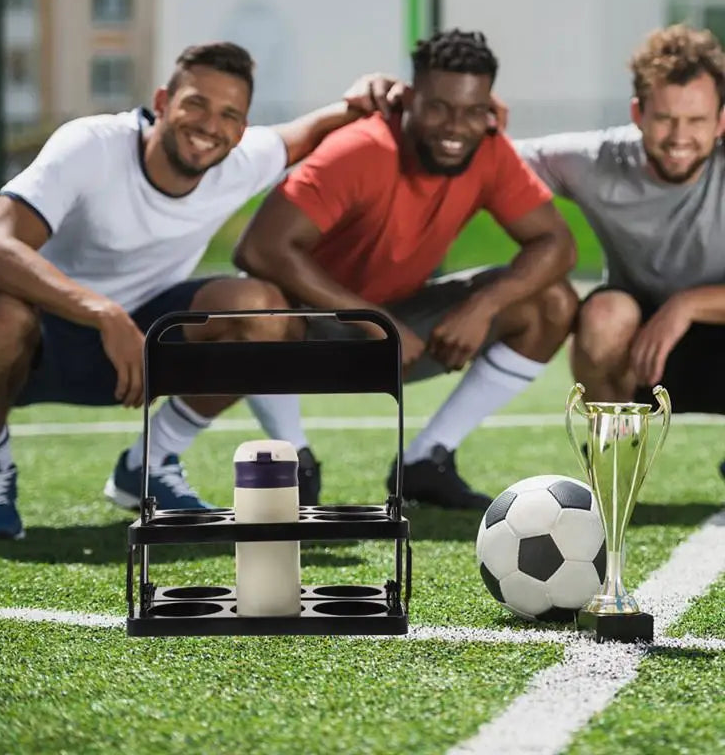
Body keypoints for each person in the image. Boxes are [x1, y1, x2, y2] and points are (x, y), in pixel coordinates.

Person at [0, 40, 402, 539]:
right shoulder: (91, 145)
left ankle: (150, 463)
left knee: (263, 310)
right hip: (42, 340)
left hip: (145, 344)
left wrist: (359, 96)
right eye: (196, 103)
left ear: (243, 127)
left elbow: (311, 131)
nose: (211, 126)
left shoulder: (244, 159)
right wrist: (102, 313)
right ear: (162, 102)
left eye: (231, 114)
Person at [234, 28, 579, 511]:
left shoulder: (489, 148)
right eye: (439, 107)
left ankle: (425, 463)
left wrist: (483, 306)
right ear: (410, 97)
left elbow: (557, 244)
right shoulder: (363, 146)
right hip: (310, 326)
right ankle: (296, 467)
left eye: (472, 111)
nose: (455, 127)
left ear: (489, 108)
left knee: (551, 301)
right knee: (251, 304)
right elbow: (259, 249)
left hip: (406, 328)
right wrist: (375, 320)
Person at [513, 24, 725, 477]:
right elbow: (485, 161)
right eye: (665, 118)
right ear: (638, 113)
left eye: (697, 120)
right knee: (604, 316)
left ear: (721, 121)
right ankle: (615, 471)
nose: (679, 136)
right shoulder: (596, 160)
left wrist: (687, 305)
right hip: (641, 351)